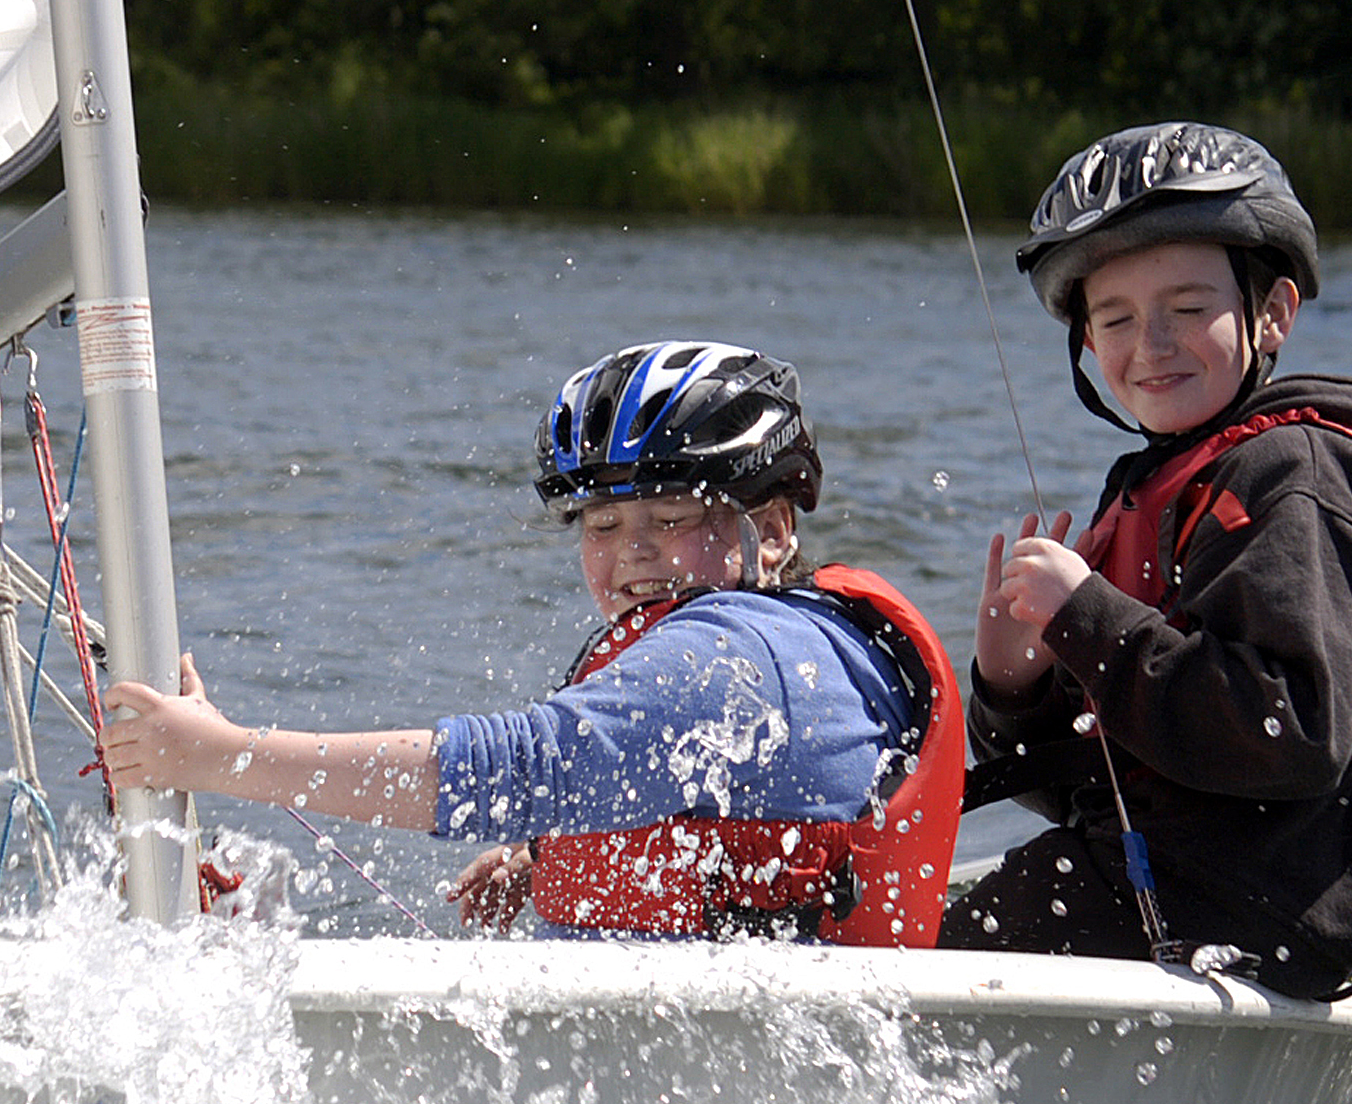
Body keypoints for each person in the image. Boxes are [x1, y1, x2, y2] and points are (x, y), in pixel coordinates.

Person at [101, 341, 964, 943]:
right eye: (602, 522)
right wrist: (545, 856)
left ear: (772, 531)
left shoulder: (734, 657)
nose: (631, 550)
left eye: (670, 517)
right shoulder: (790, 640)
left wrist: (221, 756)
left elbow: (518, 767)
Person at [942, 121, 1352, 998]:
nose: (1153, 344)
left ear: (1273, 312)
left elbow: (1289, 731)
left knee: (916, 963)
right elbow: (1092, 778)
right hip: (1148, 889)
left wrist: (1090, 619)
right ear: (1089, 346)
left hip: (1256, 919)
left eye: (1187, 308)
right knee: (872, 912)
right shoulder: (1156, 481)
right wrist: (1014, 688)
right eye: (1117, 319)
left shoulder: (1298, 475)